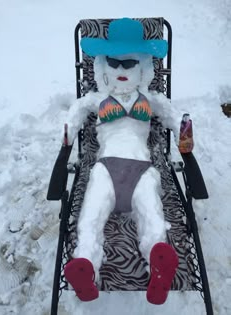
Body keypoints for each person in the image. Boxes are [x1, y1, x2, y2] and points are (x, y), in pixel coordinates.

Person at [64, 18, 179, 305]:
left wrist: (184, 129)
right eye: (113, 63)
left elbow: (172, 115)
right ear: (103, 67)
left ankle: (159, 262)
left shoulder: (149, 99)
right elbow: (77, 111)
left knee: (151, 213)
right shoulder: (99, 98)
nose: (121, 70)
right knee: (90, 216)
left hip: (142, 168)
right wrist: (67, 131)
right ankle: (86, 265)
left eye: (129, 64)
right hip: (106, 168)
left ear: (142, 67)